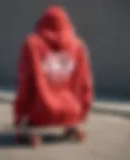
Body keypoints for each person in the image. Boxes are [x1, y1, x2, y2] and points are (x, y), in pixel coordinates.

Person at [13, 5, 94, 147]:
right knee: (70, 106)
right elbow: (86, 83)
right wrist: (82, 114)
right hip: (71, 110)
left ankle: (33, 132)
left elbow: (25, 82)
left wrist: (19, 117)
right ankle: (72, 126)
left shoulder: (32, 44)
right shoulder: (78, 45)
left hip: (41, 110)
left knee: (36, 114)